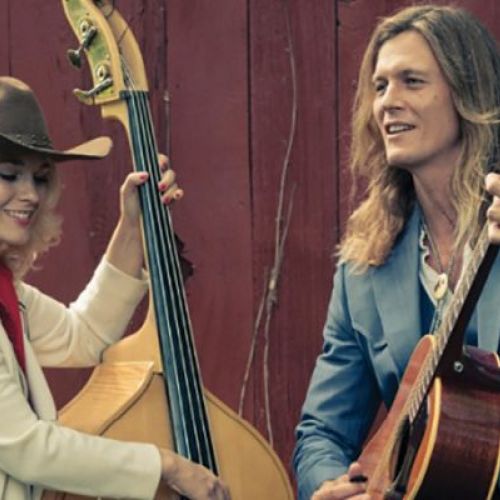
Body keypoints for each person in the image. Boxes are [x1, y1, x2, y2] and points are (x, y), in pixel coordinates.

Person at [293, 5, 500, 500]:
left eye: (412, 81)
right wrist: (329, 486)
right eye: (380, 86)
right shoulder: (364, 267)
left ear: (468, 94)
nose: (388, 102)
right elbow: (322, 432)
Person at [0, 76, 230, 500]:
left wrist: (132, 225)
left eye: (41, 178)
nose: (30, 194)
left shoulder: (7, 294)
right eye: (9, 174)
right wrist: (165, 464)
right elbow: (26, 449)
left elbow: (82, 336)